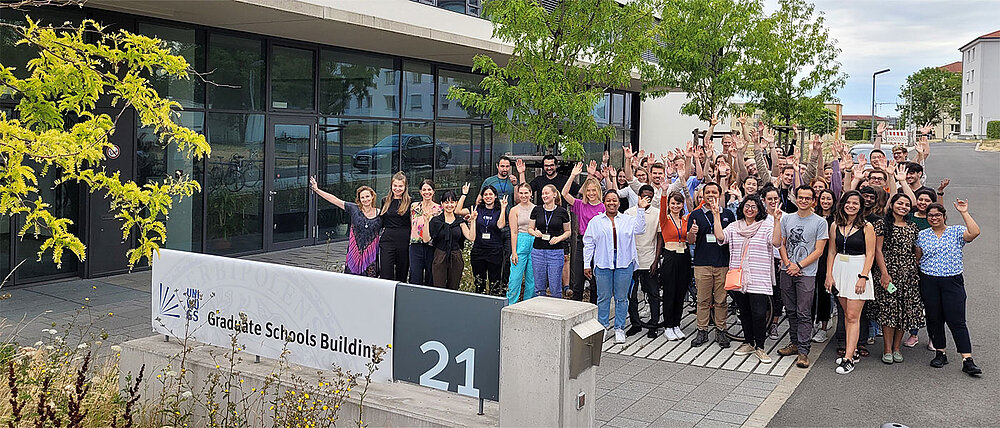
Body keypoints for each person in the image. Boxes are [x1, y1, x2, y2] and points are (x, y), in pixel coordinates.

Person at [916, 200, 982, 376]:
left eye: (938, 215)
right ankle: (940, 352)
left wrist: (964, 212)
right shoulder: (922, 235)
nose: (934, 218)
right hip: (929, 280)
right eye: (931, 215)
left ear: (944, 216)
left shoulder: (956, 231)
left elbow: (974, 232)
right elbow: (917, 258)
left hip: (952, 281)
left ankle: (967, 359)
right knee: (934, 317)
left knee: (957, 320)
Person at [714, 195, 779, 364]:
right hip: (739, 277)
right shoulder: (735, 226)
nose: (750, 209)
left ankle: (760, 346)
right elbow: (721, 237)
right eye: (747, 206)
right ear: (742, 207)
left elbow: (777, 242)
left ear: (759, 209)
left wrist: (778, 221)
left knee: (759, 314)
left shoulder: (766, 226)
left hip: (759, 277)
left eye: (754, 206)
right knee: (744, 312)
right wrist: (715, 215)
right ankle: (748, 342)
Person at [584, 190, 650, 344]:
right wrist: (587, 263)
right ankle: (603, 326)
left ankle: (619, 328)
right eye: (608, 200)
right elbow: (588, 244)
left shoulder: (627, 219)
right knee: (603, 297)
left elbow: (640, 229)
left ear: (619, 203)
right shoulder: (596, 221)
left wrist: (640, 209)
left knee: (621, 298)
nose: (611, 203)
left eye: (614, 200)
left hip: (624, 262)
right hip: (603, 262)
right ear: (604, 202)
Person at [775, 185, 830, 369]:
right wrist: (788, 263)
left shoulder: (820, 222)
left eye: (808, 198)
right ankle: (794, 343)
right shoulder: (786, 218)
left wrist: (798, 265)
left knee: (804, 312)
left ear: (813, 200)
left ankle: (804, 351)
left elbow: (819, 250)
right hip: (787, 270)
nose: (803, 200)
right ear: (796, 198)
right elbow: (781, 243)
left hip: (806, 273)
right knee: (790, 310)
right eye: (800, 197)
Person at [825, 190, 875, 375]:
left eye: (855, 203)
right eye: (848, 202)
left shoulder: (867, 226)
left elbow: (870, 254)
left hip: (857, 270)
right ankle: (851, 351)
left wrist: (863, 276)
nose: (851, 206)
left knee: (853, 316)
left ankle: (848, 358)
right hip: (840, 269)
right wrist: (829, 275)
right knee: (846, 314)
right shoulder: (835, 225)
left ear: (861, 206)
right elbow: (831, 251)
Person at [872, 193, 924, 364]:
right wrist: (885, 274)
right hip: (888, 273)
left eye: (907, 204)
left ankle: (897, 348)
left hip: (908, 275)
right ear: (892, 204)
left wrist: (914, 267)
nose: (903, 206)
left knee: (903, 312)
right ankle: (887, 349)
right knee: (889, 311)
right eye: (900, 203)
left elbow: (916, 250)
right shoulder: (881, 224)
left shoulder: (912, 226)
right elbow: (878, 250)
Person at [688, 182, 736, 348]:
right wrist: (691, 233)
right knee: (702, 300)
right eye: (707, 192)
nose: (710, 195)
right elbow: (690, 241)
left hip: (722, 263)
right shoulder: (696, 214)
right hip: (703, 264)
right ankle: (702, 330)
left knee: (721, 300)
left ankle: (721, 330)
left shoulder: (729, 214)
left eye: (714, 192)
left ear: (720, 194)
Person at [310, 178, 381, 277]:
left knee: (370, 282)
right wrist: (317, 190)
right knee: (351, 280)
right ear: (359, 199)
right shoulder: (354, 209)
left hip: (371, 256)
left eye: (367, 196)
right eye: (362, 197)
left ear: (372, 196)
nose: (365, 199)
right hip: (354, 253)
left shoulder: (380, 213)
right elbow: (334, 200)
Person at [564, 162, 606, 303]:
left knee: (595, 282)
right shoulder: (581, 205)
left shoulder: (603, 207)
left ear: (598, 191)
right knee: (578, 282)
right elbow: (564, 194)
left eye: (594, 190)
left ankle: (594, 311)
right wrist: (573, 175)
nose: (591, 193)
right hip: (582, 243)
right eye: (588, 190)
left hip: (599, 245)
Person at [625, 185, 662, 338]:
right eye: (644, 195)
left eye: (650, 196)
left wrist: (656, 259)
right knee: (631, 294)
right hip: (632, 260)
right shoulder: (629, 213)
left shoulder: (657, 213)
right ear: (639, 196)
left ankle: (653, 324)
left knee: (653, 293)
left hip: (649, 258)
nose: (647, 198)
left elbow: (660, 237)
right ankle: (635, 323)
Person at [658, 191, 691, 341]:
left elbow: (697, 208)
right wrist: (664, 193)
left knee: (681, 291)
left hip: (684, 256)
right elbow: (662, 205)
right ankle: (668, 326)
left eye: (678, 203)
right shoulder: (665, 219)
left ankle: (676, 324)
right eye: (673, 203)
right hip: (670, 256)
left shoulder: (685, 220)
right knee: (670, 292)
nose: (675, 206)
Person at [529, 184, 572, 298]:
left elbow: (568, 231)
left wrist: (559, 238)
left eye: (546, 193)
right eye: (542, 193)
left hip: (556, 252)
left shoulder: (562, 212)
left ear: (554, 194)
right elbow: (530, 228)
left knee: (555, 287)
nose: (544, 195)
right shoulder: (536, 210)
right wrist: (534, 233)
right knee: (539, 287)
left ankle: (556, 312)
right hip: (538, 252)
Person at [429, 191, 477, 290]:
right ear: (442, 204)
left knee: (454, 287)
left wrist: (473, 221)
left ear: (456, 203)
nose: (449, 205)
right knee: (438, 287)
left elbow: (471, 237)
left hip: (456, 256)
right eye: (446, 202)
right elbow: (428, 238)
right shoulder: (436, 221)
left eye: (452, 202)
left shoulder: (459, 221)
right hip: (440, 255)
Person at [470, 186, 508, 295]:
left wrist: (503, 208)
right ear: (482, 196)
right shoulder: (477, 209)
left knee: (495, 282)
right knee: (479, 282)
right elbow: (458, 210)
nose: (488, 197)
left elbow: (500, 225)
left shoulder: (499, 210)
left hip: (495, 251)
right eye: (485, 194)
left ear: (495, 196)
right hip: (478, 250)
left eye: (490, 194)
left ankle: (493, 306)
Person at [811, 189, 837, 343]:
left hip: (828, 258)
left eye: (829, 198)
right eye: (823, 198)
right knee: (809, 293)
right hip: (811, 257)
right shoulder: (812, 215)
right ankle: (811, 324)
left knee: (824, 293)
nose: (825, 201)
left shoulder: (836, 219)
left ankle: (823, 327)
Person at [379, 172, 412, 281]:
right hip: (387, 241)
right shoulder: (385, 201)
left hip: (404, 242)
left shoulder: (410, 202)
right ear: (391, 186)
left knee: (401, 274)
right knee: (385, 273)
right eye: (395, 186)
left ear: (405, 187)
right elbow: (381, 221)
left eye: (400, 186)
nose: (397, 189)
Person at [507, 183, 536, 304]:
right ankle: (511, 305)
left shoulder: (536, 208)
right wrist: (514, 252)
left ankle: (528, 306)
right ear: (518, 194)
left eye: (526, 193)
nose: (524, 195)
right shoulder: (514, 210)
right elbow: (513, 232)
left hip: (534, 242)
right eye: (521, 193)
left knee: (532, 279)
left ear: (530, 193)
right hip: (520, 241)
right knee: (515, 278)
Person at [409, 179, 441, 285]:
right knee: (415, 275)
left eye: (429, 189)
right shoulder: (414, 206)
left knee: (430, 275)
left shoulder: (439, 209)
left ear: (433, 191)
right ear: (420, 192)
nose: (427, 192)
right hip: (415, 245)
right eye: (424, 190)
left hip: (431, 246)